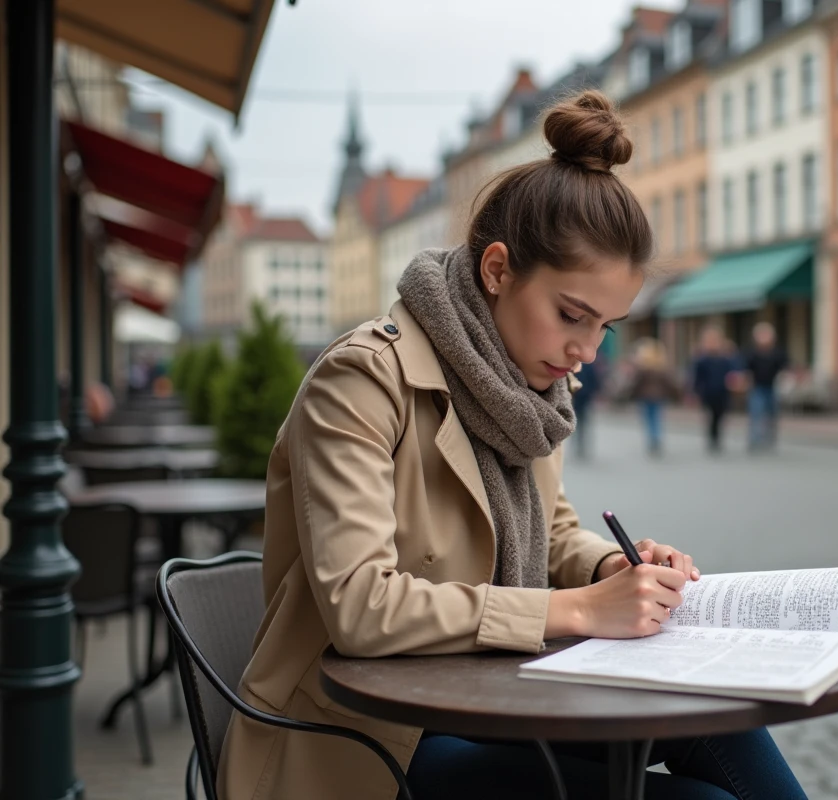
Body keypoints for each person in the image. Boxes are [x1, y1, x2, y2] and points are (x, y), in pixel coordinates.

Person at [218, 91, 807, 800]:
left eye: (606, 327)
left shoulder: (529, 389)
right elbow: (361, 607)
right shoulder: (362, 380)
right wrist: (581, 610)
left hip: (494, 693)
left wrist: (616, 568)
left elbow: (550, 533)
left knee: (723, 717)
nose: (588, 350)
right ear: (497, 270)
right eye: (572, 315)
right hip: (369, 738)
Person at [691, 326, 739, 454]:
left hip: (722, 392)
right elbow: (697, 377)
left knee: (720, 415)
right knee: (711, 415)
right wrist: (695, 392)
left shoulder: (725, 359)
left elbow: (733, 372)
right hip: (708, 392)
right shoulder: (702, 360)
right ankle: (712, 437)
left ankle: (717, 436)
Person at [629, 337, 679, 456]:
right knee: (656, 417)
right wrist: (676, 394)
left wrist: (631, 395)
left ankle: (652, 438)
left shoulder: (643, 369)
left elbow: (636, 384)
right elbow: (670, 383)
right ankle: (656, 436)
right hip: (659, 397)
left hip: (646, 397)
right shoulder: (661, 368)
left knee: (649, 418)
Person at [742, 322, 788, 451]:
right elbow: (745, 369)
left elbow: (785, 368)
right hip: (757, 388)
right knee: (756, 414)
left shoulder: (778, 353)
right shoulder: (751, 353)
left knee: (772, 415)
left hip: (773, 387)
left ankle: (769, 439)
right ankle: (755, 440)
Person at [571, 352, 605, 460]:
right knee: (582, 422)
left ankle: (579, 445)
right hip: (584, 397)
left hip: (578, 396)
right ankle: (581, 445)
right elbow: (595, 381)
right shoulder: (588, 365)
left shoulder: (575, 365)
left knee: (578, 422)